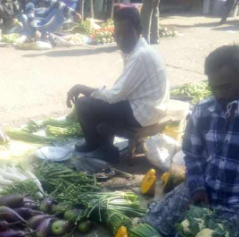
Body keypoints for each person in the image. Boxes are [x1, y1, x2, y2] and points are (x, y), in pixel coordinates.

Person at [144, 44, 239, 237]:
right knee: (151, 228)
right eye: (214, 87)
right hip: (202, 191)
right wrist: (197, 185)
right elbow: (192, 154)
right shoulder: (204, 109)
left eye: (227, 86)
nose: (220, 95)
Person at [65, 6, 169, 164]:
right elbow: (120, 91)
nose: (121, 39)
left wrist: (82, 88)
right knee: (99, 110)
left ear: (138, 31)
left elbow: (114, 96)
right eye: (118, 33)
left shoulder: (141, 56)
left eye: (127, 33)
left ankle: (105, 151)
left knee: (83, 104)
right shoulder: (137, 50)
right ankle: (94, 145)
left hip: (145, 112)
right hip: (145, 107)